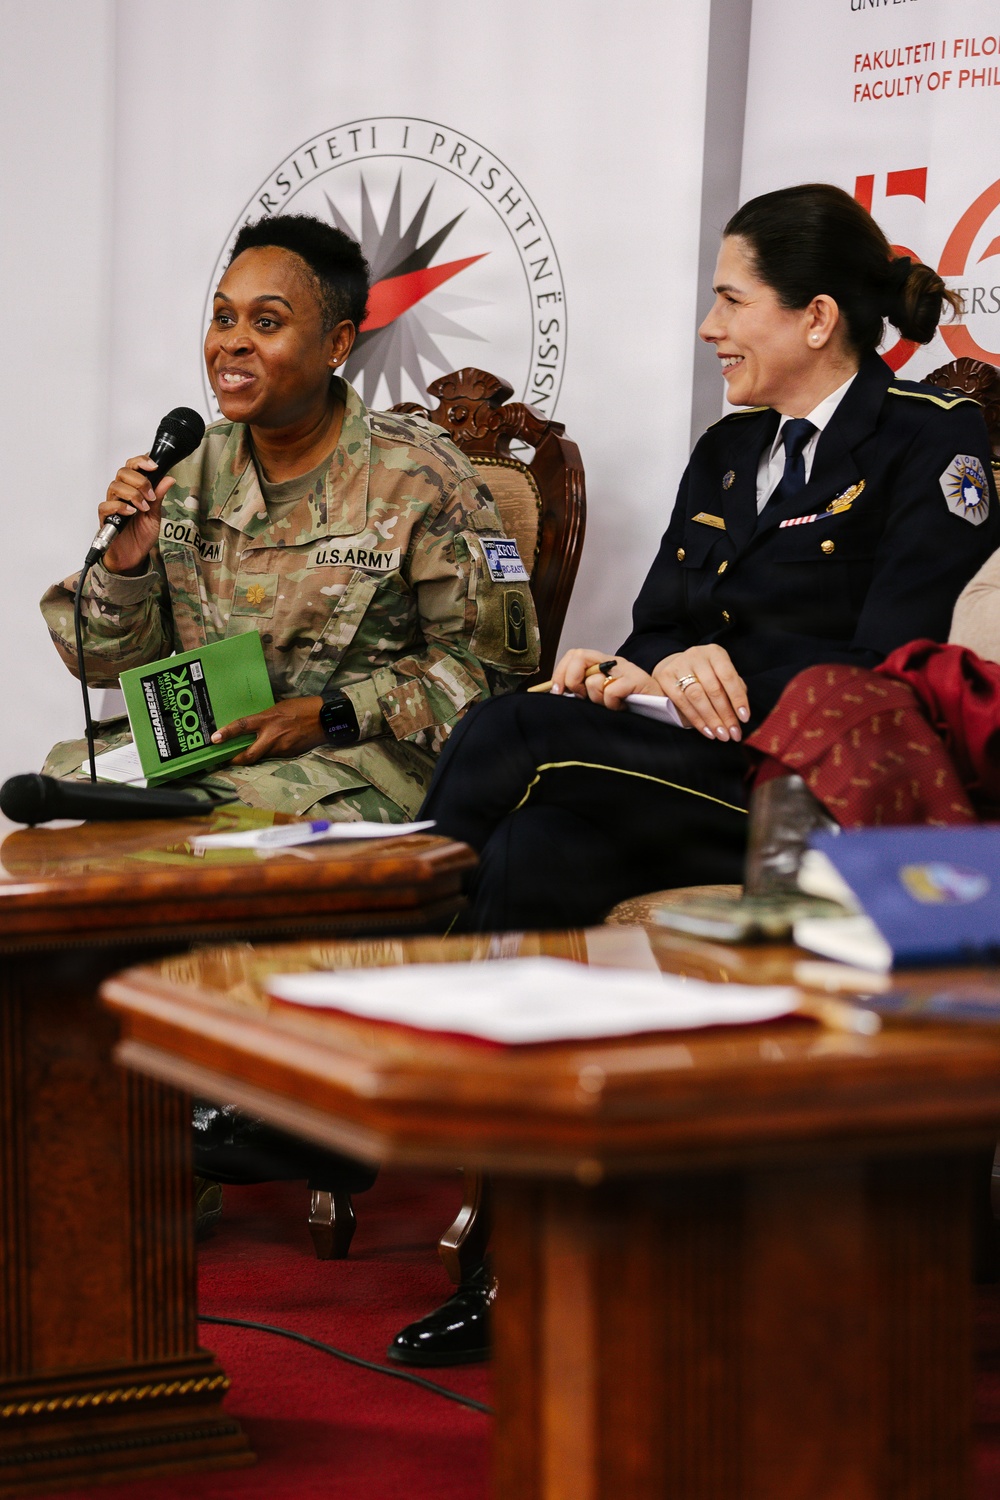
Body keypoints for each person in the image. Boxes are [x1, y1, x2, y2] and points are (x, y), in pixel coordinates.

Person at [388, 182, 1000, 1366]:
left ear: (816, 316)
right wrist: (638, 667)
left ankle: (372, 991)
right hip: (688, 772)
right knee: (533, 849)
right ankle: (512, 1270)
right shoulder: (728, 451)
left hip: (809, 804)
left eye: (730, 301)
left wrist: (710, 669)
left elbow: (890, 666)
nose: (710, 327)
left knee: (517, 732)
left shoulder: (932, 441)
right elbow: (662, 622)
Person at [40, 213, 539, 818]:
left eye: (267, 322)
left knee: (221, 821)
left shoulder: (424, 476)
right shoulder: (188, 469)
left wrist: (332, 715)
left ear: (337, 344)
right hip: (217, 747)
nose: (233, 341)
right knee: (61, 785)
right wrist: (125, 567)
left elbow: (491, 678)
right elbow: (103, 666)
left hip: (367, 757)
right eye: (224, 317)